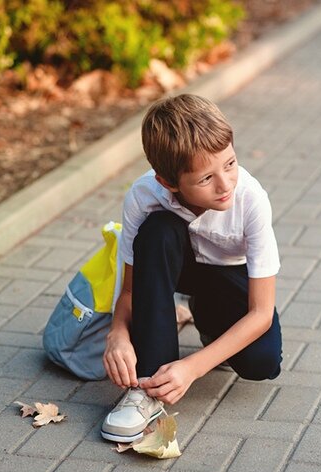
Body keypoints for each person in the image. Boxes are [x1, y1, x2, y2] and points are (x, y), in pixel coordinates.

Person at [100, 94, 282, 443]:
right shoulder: (144, 196)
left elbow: (261, 312)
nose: (226, 184)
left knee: (262, 362)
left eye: (230, 164)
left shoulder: (251, 199)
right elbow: (129, 290)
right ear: (169, 182)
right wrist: (118, 334)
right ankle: (147, 389)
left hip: (226, 276)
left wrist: (193, 367)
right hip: (172, 264)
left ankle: (206, 320)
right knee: (158, 231)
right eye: (205, 179)